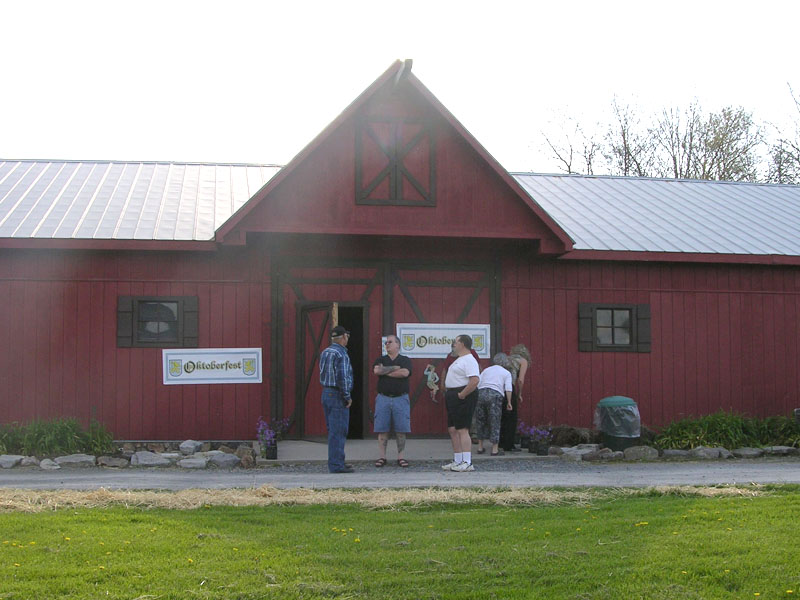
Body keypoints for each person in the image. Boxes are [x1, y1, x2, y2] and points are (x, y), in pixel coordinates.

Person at [372, 334, 413, 468]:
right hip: (383, 398)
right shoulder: (380, 359)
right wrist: (395, 368)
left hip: (400, 398)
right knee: (382, 429)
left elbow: (405, 373)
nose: (387, 344)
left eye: (390, 342)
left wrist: (385, 371)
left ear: (398, 345)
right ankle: (382, 457)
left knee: (401, 430)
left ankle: (401, 457)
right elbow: (377, 370)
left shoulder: (405, 360)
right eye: (386, 343)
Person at [441, 334, 480, 472]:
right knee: (453, 429)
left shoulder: (469, 360)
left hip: (462, 395)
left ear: (463, 344)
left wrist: (462, 394)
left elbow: (474, 380)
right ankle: (457, 460)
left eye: (455, 342)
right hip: (453, 394)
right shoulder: (459, 359)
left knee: (462, 429)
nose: (453, 345)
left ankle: (467, 462)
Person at [319, 325, 354, 473]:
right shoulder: (341, 354)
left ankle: (337, 461)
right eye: (347, 336)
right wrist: (347, 396)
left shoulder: (325, 352)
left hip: (326, 393)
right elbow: (342, 378)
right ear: (343, 337)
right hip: (337, 395)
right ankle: (336, 465)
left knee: (332, 431)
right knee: (339, 431)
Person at [475, 353, 513, 456]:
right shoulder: (506, 373)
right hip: (495, 394)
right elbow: (508, 388)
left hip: (481, 393)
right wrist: (509, 402)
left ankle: (480, 447)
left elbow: (478, 382)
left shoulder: (487, 370)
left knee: (481, 420)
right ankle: (494, 449)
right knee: (495, 420)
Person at [499, 344, 531, 452]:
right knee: (511, 417)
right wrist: (519, 393)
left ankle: (500, 442)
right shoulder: (523, 361)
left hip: (498, 387)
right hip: (509, 387)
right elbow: (520, 380)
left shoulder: (507, 359)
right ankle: (509, 445)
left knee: (502, 416)